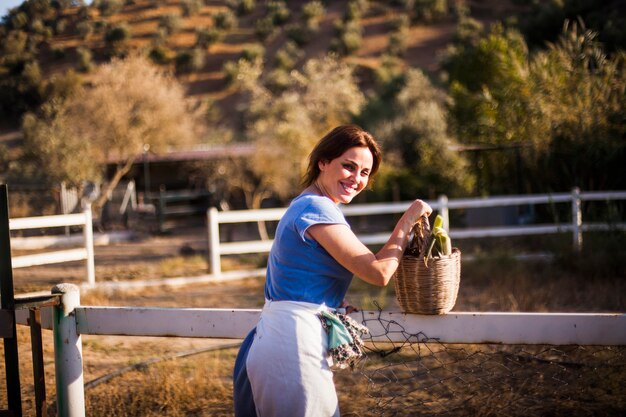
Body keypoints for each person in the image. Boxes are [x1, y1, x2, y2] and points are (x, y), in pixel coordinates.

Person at [233, 124, 432, 417]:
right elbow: (379, 272)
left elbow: (297, 275)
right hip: (293, 343)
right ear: (323, 162)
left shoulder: (306, 205)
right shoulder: (316, 208)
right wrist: (407, 220)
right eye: (349, 167)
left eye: (365, 173)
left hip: (285, 338)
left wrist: (329, 302)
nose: (357, 179)